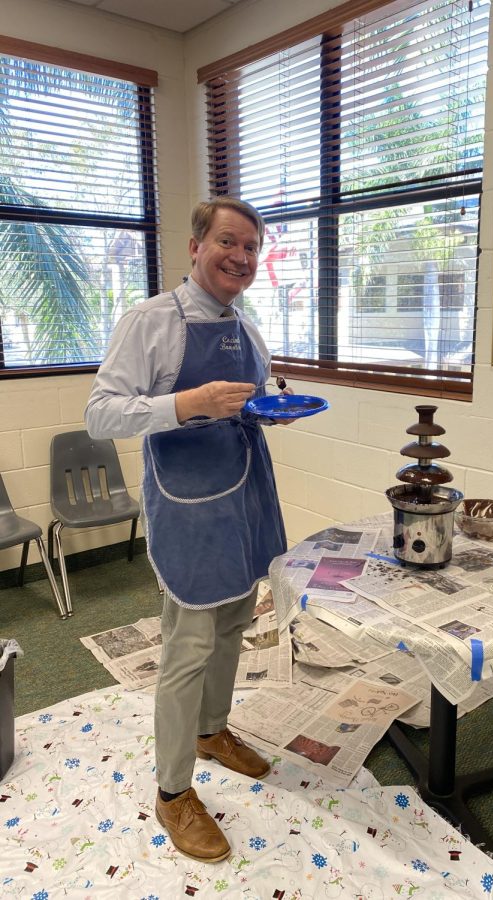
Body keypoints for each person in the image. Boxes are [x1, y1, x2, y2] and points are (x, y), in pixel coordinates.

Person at [85, 197, 291, 865]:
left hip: (244, 493)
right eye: (229, 242)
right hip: (188, 505)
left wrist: (268, 407)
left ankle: (212, 730)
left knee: (233, 621)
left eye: (251, 248)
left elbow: (252, 399)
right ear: (195, 245)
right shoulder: (151, 321)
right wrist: (185, 404)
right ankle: (173, 792)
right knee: (189, 645)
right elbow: (101, 414)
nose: (241, 257)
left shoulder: (245, 327)